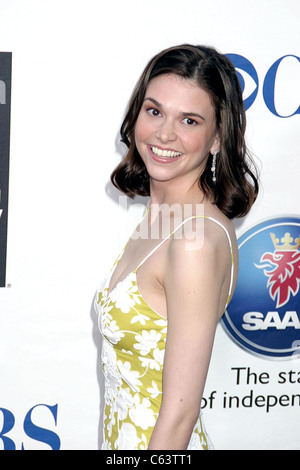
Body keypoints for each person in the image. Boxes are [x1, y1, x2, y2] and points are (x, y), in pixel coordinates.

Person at [95, 44, 259, 450]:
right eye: (154, 111)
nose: (165, 134)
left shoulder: (195, 240)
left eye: (189, 120)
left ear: (218, 137)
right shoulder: (164, 218)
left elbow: (180, 414)